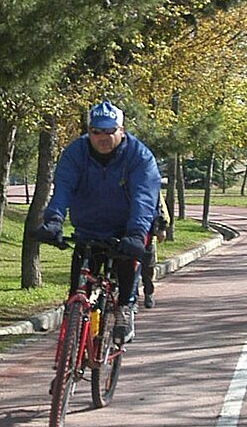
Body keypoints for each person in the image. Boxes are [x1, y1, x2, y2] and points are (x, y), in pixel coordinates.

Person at [34, 100, 162, 343]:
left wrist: (135, 234)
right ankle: (72, 345)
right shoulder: (75, 153)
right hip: (88, 227)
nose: (103, 138)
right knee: (78, 289)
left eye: (109, 131)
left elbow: (144, 198)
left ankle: (125, 307)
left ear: (121, 131)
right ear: (88, 131)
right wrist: (54, 221)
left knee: (127, 262)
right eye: (96, 132)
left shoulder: (140, 157)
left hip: (126, 228)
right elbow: (63, 189)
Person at [141, 190, 170, 309]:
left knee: (148, 268)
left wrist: (162, 227)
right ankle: (130, 299)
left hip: (148, 233)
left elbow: (161, 207)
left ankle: (148, 293)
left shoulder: (150, 184)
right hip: (127, 231)